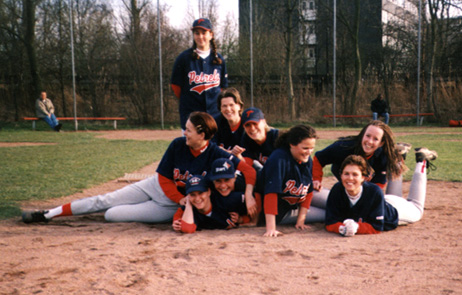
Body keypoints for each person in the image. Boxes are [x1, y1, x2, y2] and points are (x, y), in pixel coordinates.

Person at [22, 112, 257, 224]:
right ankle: (48, 214)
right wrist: (180, 199)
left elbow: (249, 171)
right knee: (105, 200)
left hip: (168, 206)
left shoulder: (216, 153)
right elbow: (163, 178)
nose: (184, 132)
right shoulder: (178, 145)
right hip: (156, 188)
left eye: (188, 129)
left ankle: (93, 213)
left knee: (111, 215)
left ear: (202, 134)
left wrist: (248, 195)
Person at [325, 148, 437, 236]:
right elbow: (330, 223)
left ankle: (421, 161)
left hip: (395, 212)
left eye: (355, 174)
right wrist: (341, 228)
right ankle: (398, 158)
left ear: (363, 177)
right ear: (341, 175)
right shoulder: (337, 189)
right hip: (382, 202)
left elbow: (377, 227)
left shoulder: (373, 191)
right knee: (392, 196)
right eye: (346, 173)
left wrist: (357, 227)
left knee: (417, 207)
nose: (350, 178)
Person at [311, 120, 408, 211]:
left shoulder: (383, 156)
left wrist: (366, 197)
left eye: (375, 139)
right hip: (342, 172)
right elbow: (319, 157)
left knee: (394, 168)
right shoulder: (344, 147)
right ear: (362, 135)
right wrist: (316, 179)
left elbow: (379, 184)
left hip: (368, 180)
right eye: (368, 136)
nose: (369, 141)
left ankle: (400, 156)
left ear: (381, 143)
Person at [259, 125, 324, 237]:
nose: (309, 152)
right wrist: (271, 228)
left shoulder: (306, 159)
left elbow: (308, 191)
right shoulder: (278, 159)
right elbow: (271, 193)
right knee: (328, 214)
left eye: (312, 148)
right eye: (305, 148)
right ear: (292, 144)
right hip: (283, 211)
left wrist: (301, 221)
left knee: (333, 200)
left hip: (297, 200)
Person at [171, 18, 228, 131]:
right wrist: (188, 101)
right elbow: (175, 87)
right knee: (191, 147)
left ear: (211, 34)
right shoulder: (184, 58)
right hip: (190, 115)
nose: (200, 36)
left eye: (204, 32)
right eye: (197, 33)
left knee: (214, 147)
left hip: (214, 115)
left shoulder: (219, 59)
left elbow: (222, 88)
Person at [172, 175, 241, 233]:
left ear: (209, 192)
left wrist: (241, 219)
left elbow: (248, 213)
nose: (197, 199)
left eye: (200, 193)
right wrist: (188, 204)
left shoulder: (223, 202)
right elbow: (188, 229)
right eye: (192, 195)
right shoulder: (188, 210)